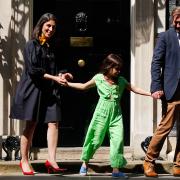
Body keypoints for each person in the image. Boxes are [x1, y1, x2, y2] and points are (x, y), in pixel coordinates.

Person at [62, 53, 151, 178]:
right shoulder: (99, 78)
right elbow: (83, 86)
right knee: (95, 139)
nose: (118, 71)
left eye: (120, 68)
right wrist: (68, 84)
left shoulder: (121, 81)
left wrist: (150, 93)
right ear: (108, 67)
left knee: (117, 140)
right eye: (116, 68)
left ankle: (115, 170)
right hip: (101, 113)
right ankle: (84, 164)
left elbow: (134, 88)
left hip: (116, 114)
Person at [9, 13, 72, 175]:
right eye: (48, 26)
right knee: (31, 124)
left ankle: (51, 160)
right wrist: (54, 78)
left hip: (49, 90)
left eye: (53, 27)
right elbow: (33, 70)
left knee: (53, 122)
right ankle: (24, 160)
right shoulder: (32, 45)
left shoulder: (52, 46)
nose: (50, 29)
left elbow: (57, 67)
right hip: (33, 89)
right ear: (41, 25)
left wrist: (63, 75)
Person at [143, 6, 180, 177]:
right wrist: (156, 87)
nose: (178, 22)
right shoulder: (165, 37)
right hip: (172, 90)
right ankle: (149, 161)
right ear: (173, 18)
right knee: (165, 127)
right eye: (176, 18)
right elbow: (156, 63)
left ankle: (178, 164)